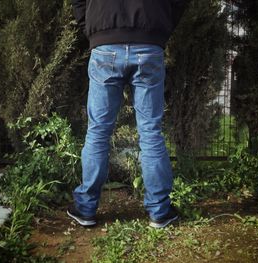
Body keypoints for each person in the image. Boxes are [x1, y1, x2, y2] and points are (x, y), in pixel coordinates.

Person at [68, 0, 187, 228]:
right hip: (149, 43)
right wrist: (160, 27)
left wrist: (94, 30)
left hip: (105, 44)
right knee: (151, 131)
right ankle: (160, 212)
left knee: (98, 131)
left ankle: (85, 210)